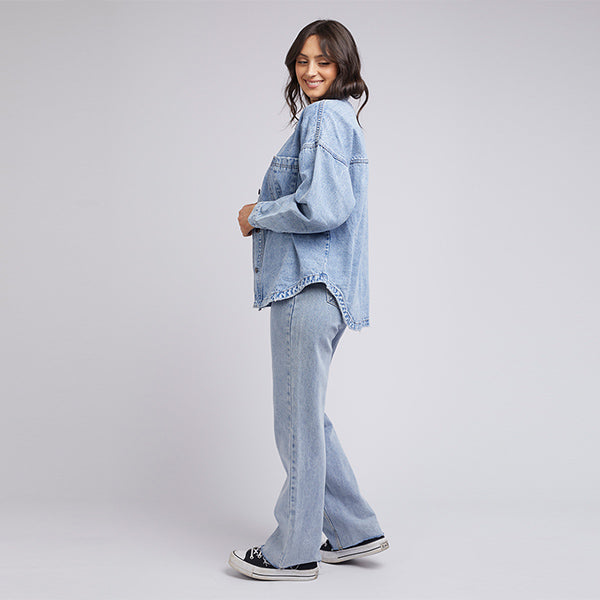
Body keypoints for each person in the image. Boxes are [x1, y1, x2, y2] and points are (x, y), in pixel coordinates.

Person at [229, 19, 388, 582]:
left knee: (294, 423)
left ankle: (292, 551)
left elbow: (323, 206)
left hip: (306, 287)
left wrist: (257, 214)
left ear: (343, 66)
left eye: (323, 60)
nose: (311, 71)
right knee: (307, 416)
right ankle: (353, 528)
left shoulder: (323, 118)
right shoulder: (342, 120)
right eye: (302, 61)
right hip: (328, 289)